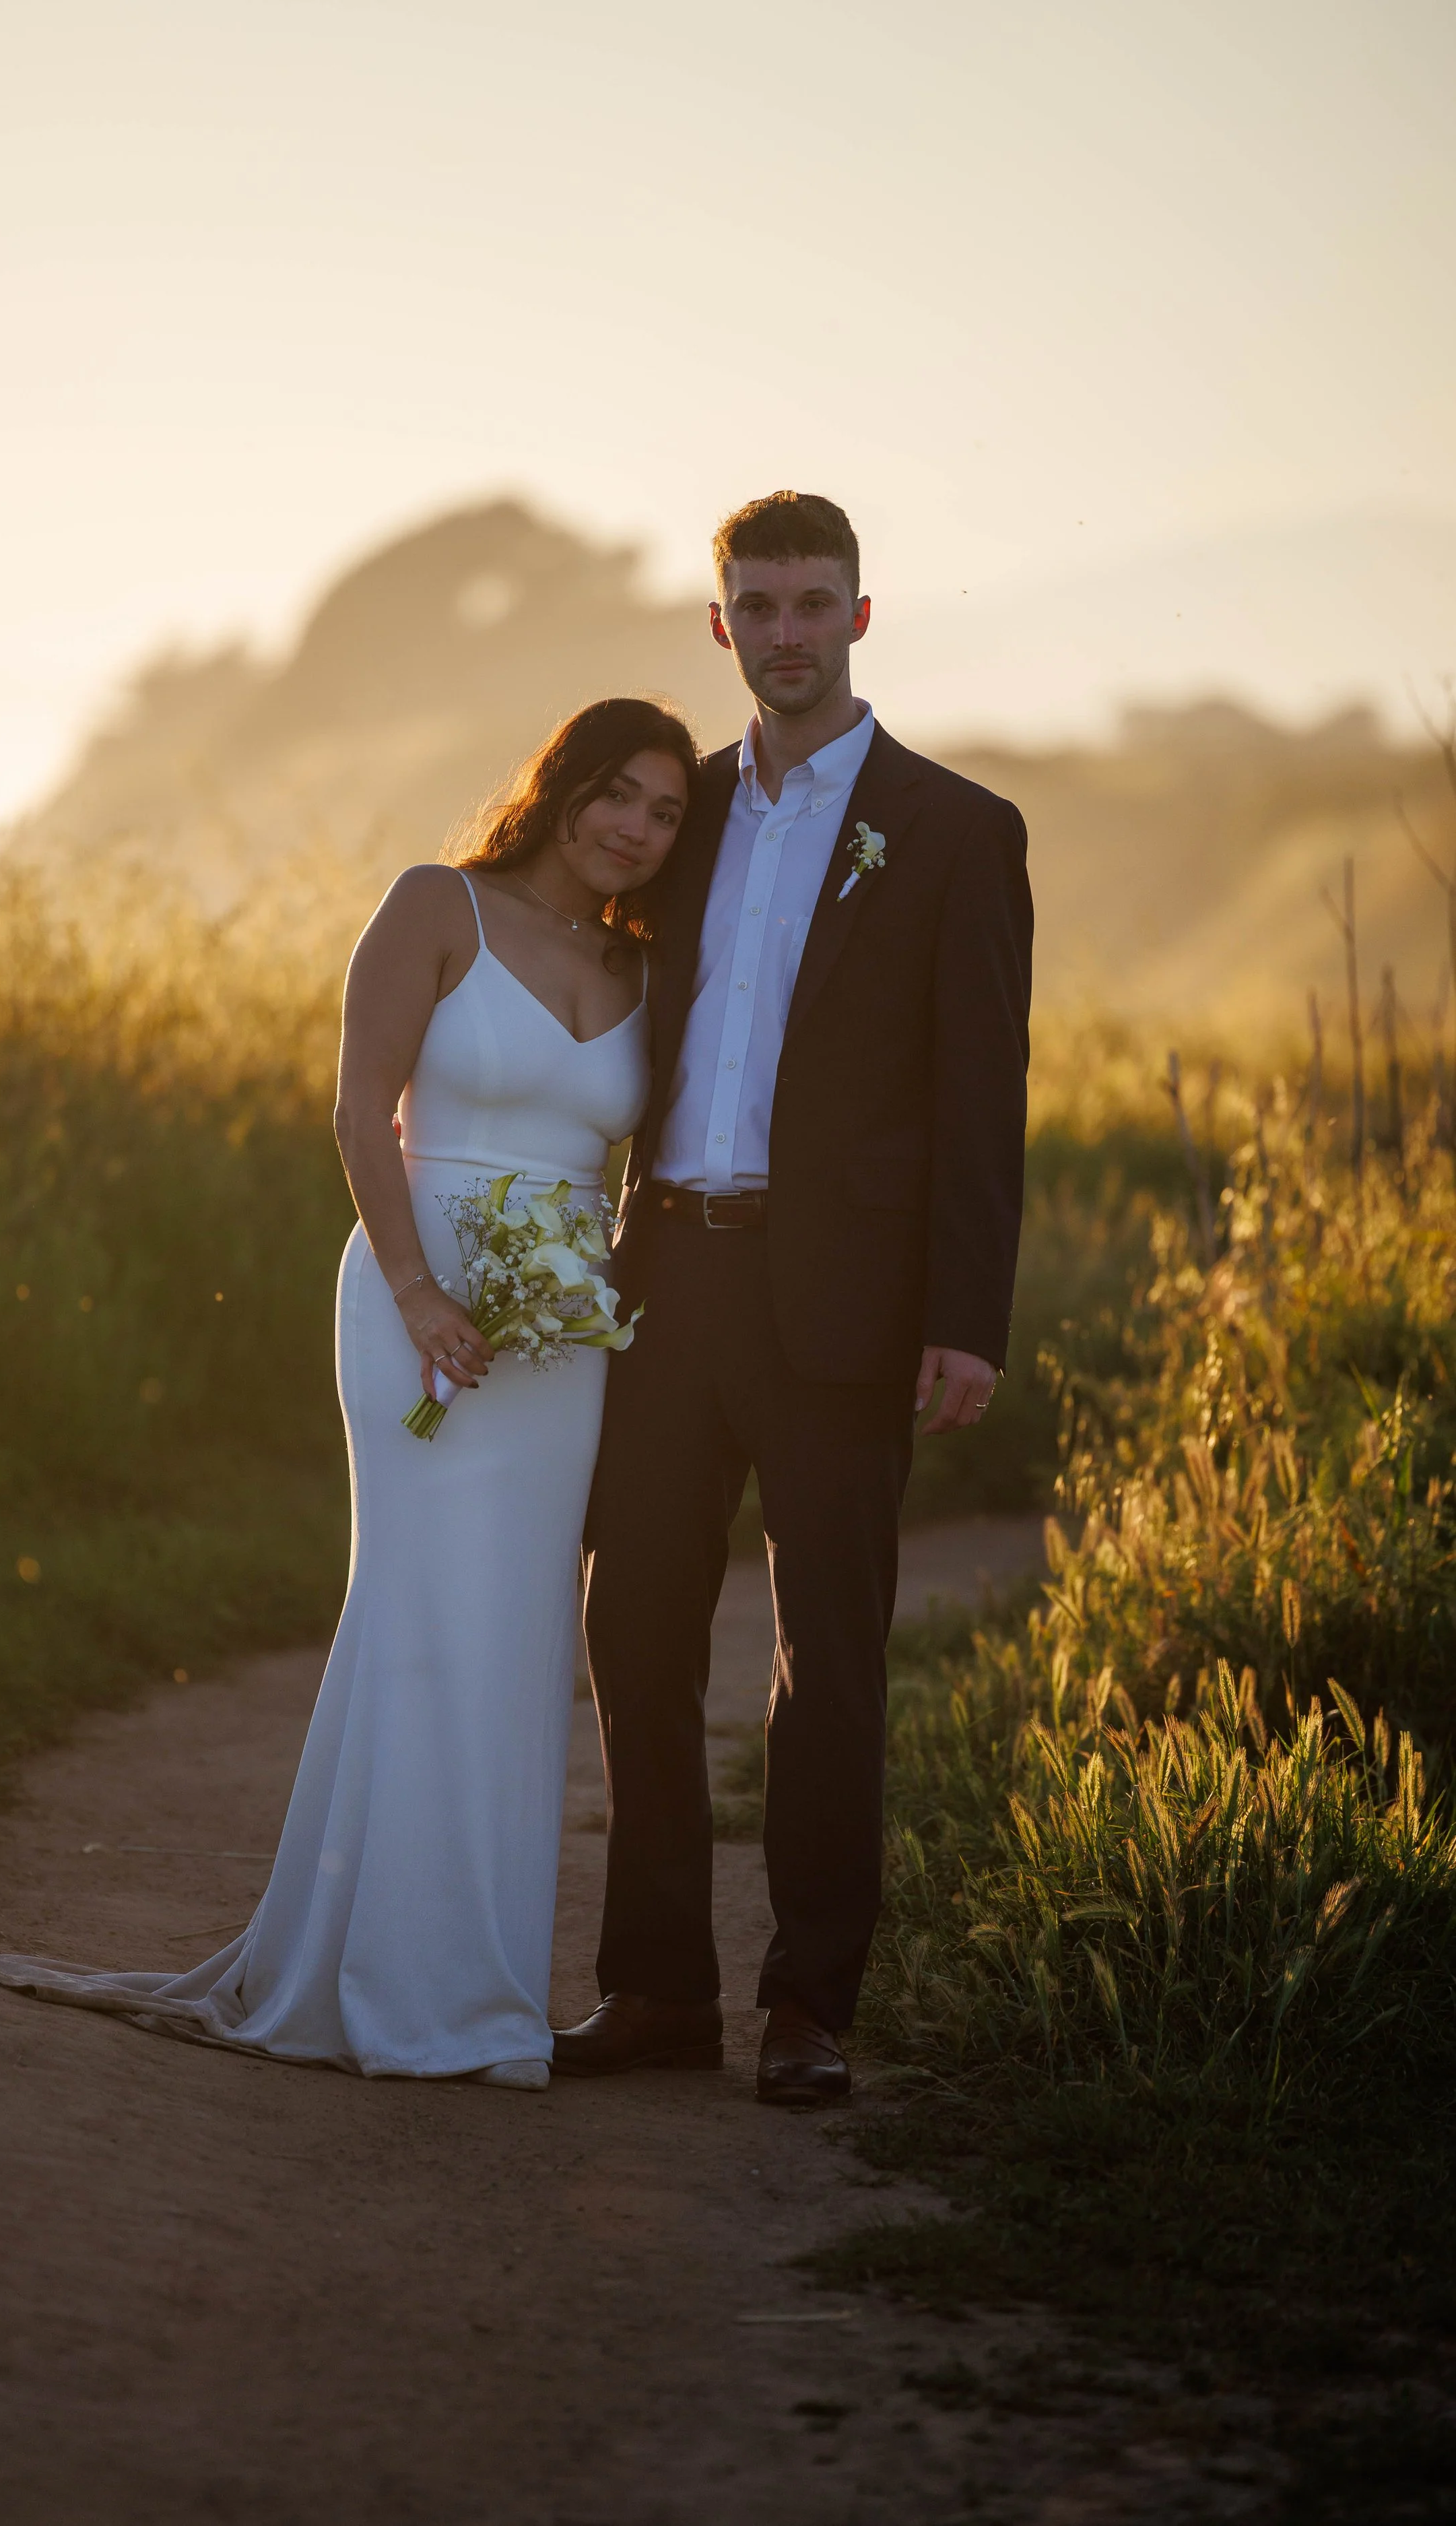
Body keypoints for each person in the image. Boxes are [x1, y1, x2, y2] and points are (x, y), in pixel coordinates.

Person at [0, 697, 694, 2090]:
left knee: (517, 1631)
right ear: (562, 784)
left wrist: (573, 1291)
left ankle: (472, 1988)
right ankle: (385, 1984)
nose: (634, 831)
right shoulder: (436, 907)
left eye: (663, 814)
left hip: (555, 1333)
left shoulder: (646, 967)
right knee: (421, 1614)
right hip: (416, 1291)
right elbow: (360, 1112)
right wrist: (419, 1290)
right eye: (616, 794)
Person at [554, 492, 1034, 2106]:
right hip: (667, 1280)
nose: (782, 634)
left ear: (860, 616)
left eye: (809, 603)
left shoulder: (957, 829)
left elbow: (982, 1091)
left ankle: (807, 2006)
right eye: (753, 606)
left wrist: (964, 1315)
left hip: (846, 1302)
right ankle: (654, 1990)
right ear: (718, 627)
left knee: (825, 1660)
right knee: (632, 1630)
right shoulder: (674, 817)